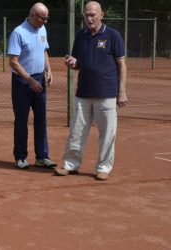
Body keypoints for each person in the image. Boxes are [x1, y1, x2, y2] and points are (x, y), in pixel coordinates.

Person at [56, 1, 128, 181]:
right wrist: (72, 63)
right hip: (83, 93)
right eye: (86, 15)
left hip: (107, 93)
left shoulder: (113, 35)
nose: (89, 18)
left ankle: (103, 167)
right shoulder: (80, 35)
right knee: (76, 131)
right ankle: (70, 165)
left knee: (107, 133)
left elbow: (122, 64)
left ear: (101, 15)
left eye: (93, 15)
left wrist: (122, 91)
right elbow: (78, 62)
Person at [7, 2, 57, 169]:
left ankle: (42, 156)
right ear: (33, 15)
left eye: (47, 18)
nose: (46, 21)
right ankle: (20, 157)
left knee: (41, 119)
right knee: (21, 121)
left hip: (39, 79)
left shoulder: (42, 28)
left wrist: (48, 70)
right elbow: (13, 62)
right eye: (43, 18)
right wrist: (29, 80)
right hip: (22, 82)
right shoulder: (18, 32)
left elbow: (44, 51)